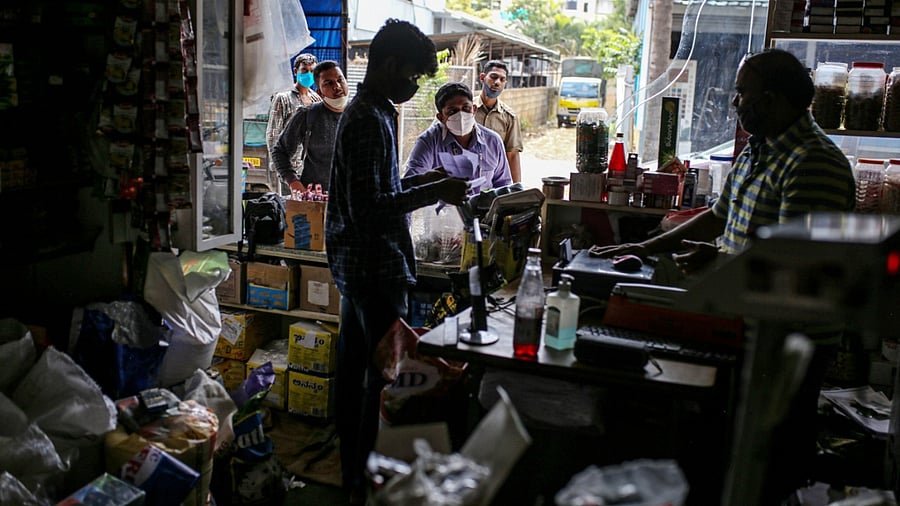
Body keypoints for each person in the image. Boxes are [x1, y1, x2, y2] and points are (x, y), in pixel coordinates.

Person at [592, 48, 856, 504]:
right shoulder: (761, 148)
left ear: (770, 99)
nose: (735, 102)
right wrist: (646, 247)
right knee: (727, 450)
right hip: (744, 326)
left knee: (769, 460)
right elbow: (719, 215)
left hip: (787, 343)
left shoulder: (814, 162)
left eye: (741, 93)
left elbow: (792, 264)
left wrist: (719, 264)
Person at [325, 18, 469, 504]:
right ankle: (366, 479)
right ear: (390, 65)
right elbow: (369, 208)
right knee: (382, 380)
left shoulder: (377, 111)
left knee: (357, 374)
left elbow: (379, 190)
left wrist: (422, 182)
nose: (413, 87)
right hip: (372, 267)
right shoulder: (368, 118)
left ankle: (354, 477)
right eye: (412, 76)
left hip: (360, 266)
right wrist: (434, 190)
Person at [405, 81, 512, 193]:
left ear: (474, 110)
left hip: (483, 204)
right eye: (452, 111)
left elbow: (503, 185)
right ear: (441, 117)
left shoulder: (493, 141)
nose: (461, 115)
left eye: (466, 108)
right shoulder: (428, 142)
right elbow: (412, 186)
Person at [271, 60, 348, 193]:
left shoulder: (359, 115)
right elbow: (279, 151)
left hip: (351, 198)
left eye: (340, 80)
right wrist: (294, 182)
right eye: (328, 83)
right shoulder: (308, 114)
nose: (337, 86)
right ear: (320, 92)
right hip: (316, 196)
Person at [266, 53, 322, 191]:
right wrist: (280, 167)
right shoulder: (283, 98)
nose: (308, 74)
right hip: (290, 170)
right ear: (296, 71)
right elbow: (273, 134)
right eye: (304, 70)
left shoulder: (316, 99)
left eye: (312, 71)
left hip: (310, 169)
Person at [474, 60, 524, 183]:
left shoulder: (509, 117)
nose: (497, 82)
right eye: (493, 77)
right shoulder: (467, 110)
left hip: (494, 182)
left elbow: (512, 155)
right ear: (482, 77)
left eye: (502, 79)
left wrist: (517, 188)